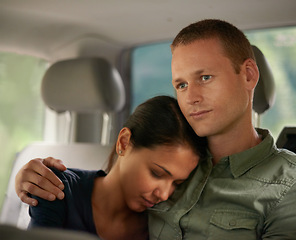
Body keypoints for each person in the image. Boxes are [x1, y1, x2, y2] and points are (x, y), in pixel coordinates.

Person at [15, 19, 296, 239]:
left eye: (206, 77)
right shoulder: (178, 158)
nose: (191, 97)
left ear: (248, 74)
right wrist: (34, 175)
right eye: (181, 85)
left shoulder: (287, 185)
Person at [17, 95, 206, 240]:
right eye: (156, 173)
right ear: (124, 143)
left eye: (177, 183)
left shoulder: (166, 223)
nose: (164, 194)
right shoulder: (56, 187)